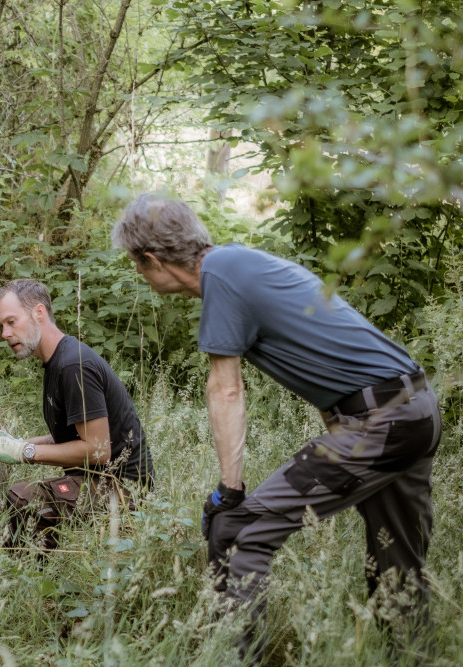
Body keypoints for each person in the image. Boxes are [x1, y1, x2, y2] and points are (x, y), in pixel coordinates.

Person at [111, 192, 441, 660]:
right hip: (414, 409)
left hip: (381, 422)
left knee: (238, 532)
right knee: (398, 569)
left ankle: (234, 658)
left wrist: (229, 492)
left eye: (138, 267)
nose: (141, 277)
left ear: (151, 258)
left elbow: (225, 389)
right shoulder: (243, 264)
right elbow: (337, 355)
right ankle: (413, 656)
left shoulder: (222, 276)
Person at [0, 279, 153, 550]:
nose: (4, 333)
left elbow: (98, 451)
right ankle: (37, 571)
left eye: (11, 322)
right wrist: (18, 441)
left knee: (23, 496)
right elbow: (73, 434)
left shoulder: (72, 365)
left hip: (124, 490)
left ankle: (30, 576)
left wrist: (25, 452)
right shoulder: (57, 361)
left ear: (39, 312)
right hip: (97, 480)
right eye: (1, 325)